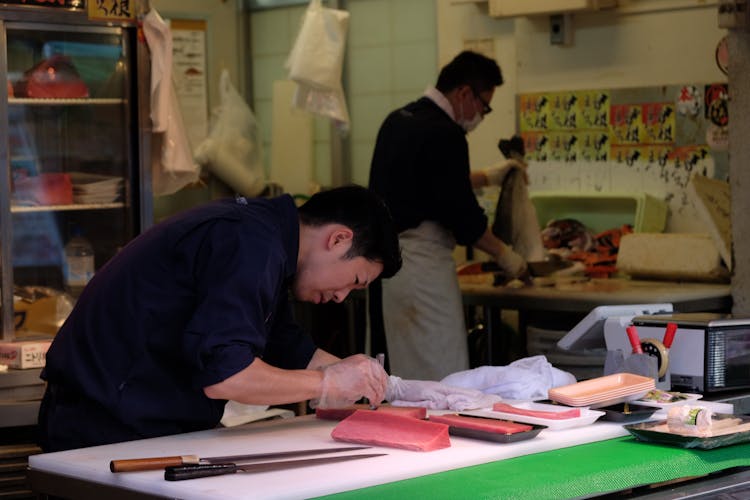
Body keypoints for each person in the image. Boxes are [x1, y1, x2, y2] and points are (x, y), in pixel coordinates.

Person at [38, 185, 402, 452]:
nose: (341, 297)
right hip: (102, 428)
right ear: (339, 239)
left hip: (140, 426)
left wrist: (379, 383)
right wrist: (326, 385)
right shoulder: (253, 241)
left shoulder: (269, 238)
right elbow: (226, 374)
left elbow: (285, 343)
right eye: (355, 281)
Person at [369, 50, 527, 381]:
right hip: (424, 271)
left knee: (403, 375)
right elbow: (464, 218)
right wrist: (506, 255)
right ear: (464, 93)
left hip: (391, 270)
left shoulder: (397, 120)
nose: (481, 115)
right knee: (441, 375)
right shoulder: (446, 133)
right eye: (484, 106)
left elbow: (428, 184)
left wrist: (487, 177)